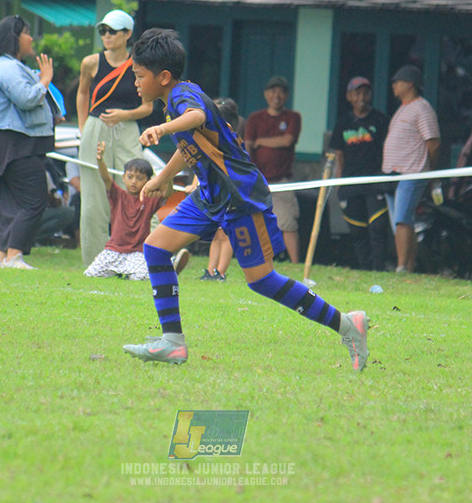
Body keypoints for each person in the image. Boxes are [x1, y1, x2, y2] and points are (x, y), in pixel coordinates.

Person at [121, 28, 370, 371]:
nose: (135, 82)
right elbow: (191, 142)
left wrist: (161, 130)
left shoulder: (181, 99)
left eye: (139, 75)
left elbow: (195, 119)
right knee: (155, 247)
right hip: (211, 195)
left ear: (163, 77)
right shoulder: (175, 97)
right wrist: (163, 178)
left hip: (239, 196)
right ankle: (173, 343)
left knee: (262, 280)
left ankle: (348, 324)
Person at [0, 15, 60, 269]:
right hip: (16, 146)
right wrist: (45, 78)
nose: (31, 37)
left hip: (9, 145)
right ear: (14, 38)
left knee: (10, 202)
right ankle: (14, 254)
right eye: (26, 32)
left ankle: (4, 256)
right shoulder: (8, 68)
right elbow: (26, 98)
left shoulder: (10, 66)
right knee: (35, 199)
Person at [77, 10, 154, 266]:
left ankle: (149, 254)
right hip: (95, 127)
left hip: (128, 129)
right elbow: (82, 93)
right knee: (93, 199)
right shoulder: (91, 62)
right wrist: (83, 126)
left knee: (138, 188)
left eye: (113, 31)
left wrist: (124, 114)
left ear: (127, 34)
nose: (107, 36)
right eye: (103, 31)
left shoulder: (138, 64)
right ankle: (97, 261)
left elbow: (148, 107)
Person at [382, 64, 440, 273]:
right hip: (393, 174)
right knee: (401, 222)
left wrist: (430, 172)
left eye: (397, 82)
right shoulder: (403, 108)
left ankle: (401, 266)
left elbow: (433, 142)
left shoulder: (422, 108)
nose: (394, 86)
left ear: (410, 84)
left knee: (402, 220)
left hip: (412, 171)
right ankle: (409, 264)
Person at [330, 76, 391, 271]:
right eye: (357, 93)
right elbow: (338, 153)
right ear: (349, 97)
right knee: (357, 231)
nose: (362, 97)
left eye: (366, 92)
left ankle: (379, 268)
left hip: (375, 181)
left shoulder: (380, 120)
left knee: (378, 226)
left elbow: (388, 148)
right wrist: (339, 180)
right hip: (350, 181)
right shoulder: (343, 123)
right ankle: (365, 269)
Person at [84, 142, 164, 280]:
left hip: (137, 252)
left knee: (140, 277)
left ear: (148, 181)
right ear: (123, 177)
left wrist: (167, 176)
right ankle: (121, 272)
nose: (133, 182)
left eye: (139, 178)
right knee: (91, 274)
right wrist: (100, 159)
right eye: (130, 176)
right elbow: (105, 178)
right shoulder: (118, 195)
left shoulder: (150, 200)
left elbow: (166, 192)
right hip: (113, 250)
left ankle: (166, 266)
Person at [244, 75, 302, 263]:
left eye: (281, 92)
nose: (276, 95)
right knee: (255, 222)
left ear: (286, 95)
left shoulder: (293, 117)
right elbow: (248, 145)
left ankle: (294, 263)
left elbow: (288, 140)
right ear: (266, 94)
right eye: (272, 91)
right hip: (259, 180)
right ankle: (256, 260)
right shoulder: (255, 118)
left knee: (288, 223)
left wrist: (262, 141)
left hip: (282, 180)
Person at [201, 97, 243, 281]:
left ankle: (221, 272)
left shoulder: (234, 145)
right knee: (217, 234)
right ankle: (210, 271)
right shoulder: (209, 142)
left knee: (226, 234)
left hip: (231, 194)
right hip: (216, 194)